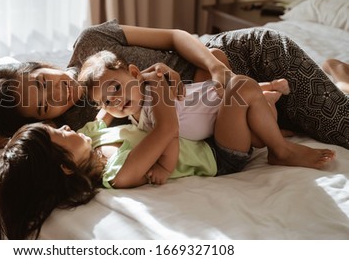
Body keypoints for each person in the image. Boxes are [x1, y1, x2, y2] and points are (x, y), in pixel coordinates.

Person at [0, 85, 335, 239]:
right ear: (65, 167)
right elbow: (167, 127)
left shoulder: (95, 137)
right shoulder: (118, 174)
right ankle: (279, 150)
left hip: (204, 135)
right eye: (59, 133)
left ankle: (275, 122)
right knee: (240, 89)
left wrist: (126, 85)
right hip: (220, 156)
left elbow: (105, 107)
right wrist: (160, 91)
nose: (64, 125)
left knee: (256, 103)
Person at [0, 20, 349, 149]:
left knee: (342, 128)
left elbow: (174, 35)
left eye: (42, 84)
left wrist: (215, 69)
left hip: (242, 59)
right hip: (239, 110)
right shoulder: (85, 119)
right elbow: (0, 139)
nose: (56, 95)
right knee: (314, 118)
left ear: (42, 66)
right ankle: (335, 77)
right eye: (44, 106)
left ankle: (333, 76)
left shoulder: (93, 40)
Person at [78, 50, 334, 183]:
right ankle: (277, 139)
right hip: (222, 140)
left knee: (227, 71)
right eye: (106, 102)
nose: (116, 102)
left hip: (219, 110)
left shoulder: (155, 94)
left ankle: (273, 127)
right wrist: (107, 104)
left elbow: (171, 134)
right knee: (243, 88)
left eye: (116, 89)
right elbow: (169, 133)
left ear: (135, 74)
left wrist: (163, 167)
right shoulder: (136, 105)